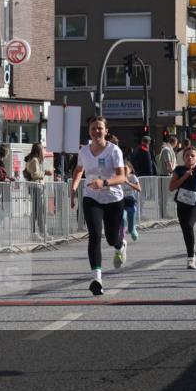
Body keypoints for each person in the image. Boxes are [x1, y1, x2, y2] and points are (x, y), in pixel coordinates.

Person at [70, 116, 127, 295]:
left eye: (100, 128)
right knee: (94, 235)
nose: (96, 131)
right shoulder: (84, 152)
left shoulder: (113, 151)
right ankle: (97, 278)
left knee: (111, 238)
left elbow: (122, 177)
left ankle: (120, 245)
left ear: (106, 131)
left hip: (113, 199)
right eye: (93, 128)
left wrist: (105, 182)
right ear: (89, 131)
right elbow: (79, 170)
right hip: (92, 197)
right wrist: (74, 187)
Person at [169, 146, 196, 269]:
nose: (189, 158)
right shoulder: (179, 170)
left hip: (195, 204)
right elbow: (171, 187)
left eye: (192, 155)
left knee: (189, 226)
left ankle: (191, 258)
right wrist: (185, 176)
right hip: (182, 204)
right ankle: (191, 254)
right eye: (187, 156)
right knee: (186, 230)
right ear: (183, 158)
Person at [24, 143, 47, 236]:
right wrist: (45, 173)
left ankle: (38, 231)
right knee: (39, 210)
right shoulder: (34, 160)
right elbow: (35, 175)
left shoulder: (34, 160)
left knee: (37, 210)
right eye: (43, 149)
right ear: (39, 151)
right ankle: (39, 232)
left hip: (35, 187)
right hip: (36, 187)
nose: (44, 151)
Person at [120, 160, 142, 242]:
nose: (124, 170)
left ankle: (132, 229)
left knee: (130, 228)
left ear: (130, 169)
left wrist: (128, 182)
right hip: (121, 201)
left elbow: (139, 189)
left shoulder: (133, 177)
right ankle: (121, 237)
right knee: (122, 218)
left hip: (131, 201)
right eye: (122, 169)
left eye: (125, 169)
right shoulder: (119, 178)